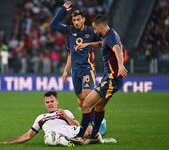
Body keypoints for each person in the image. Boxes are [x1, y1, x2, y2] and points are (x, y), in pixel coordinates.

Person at [50, 1, 106, 135]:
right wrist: (65, 71)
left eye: (78, 20)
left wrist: (89, 44)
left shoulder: (91, 32)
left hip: (87, 69)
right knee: (81, 100)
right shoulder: (69, 31)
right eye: (74, 20)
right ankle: (94, 123)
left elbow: (103, 43)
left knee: (87, 98)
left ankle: (97, 125)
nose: (76, 22)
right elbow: (70, 53)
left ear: (83, 20)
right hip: (75, 71)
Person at [71, 15, 128, 144]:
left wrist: (120, 66)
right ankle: (94, 137)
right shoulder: (110, 35)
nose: (94, 31)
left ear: (101, 26)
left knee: (86, 105)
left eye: (95, 28)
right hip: (112, 79)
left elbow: (117, 49)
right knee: (99, 107)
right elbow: (103, 44)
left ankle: (79, 136)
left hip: (111, 79)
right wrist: (88, 44)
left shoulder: (111, 37)